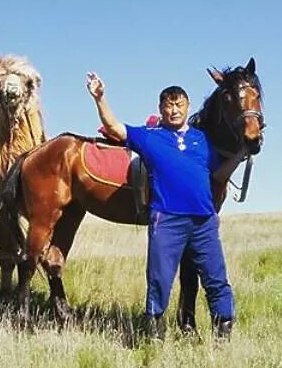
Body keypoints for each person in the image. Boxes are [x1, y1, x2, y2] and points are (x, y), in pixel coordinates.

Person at [86, 71, 245, 340]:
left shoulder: (203, 141)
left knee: (216, 279)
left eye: (178, 104)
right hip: (167, 220)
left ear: (188, 106)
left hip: (204, 221)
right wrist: (100, 98)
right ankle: (154, 336)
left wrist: (242, 153)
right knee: (159, 279)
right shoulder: (150, 137)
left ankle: (222, 334)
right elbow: (114, 128)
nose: (174, 110)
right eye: (168, 105)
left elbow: (218, 175)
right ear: (161, 109)